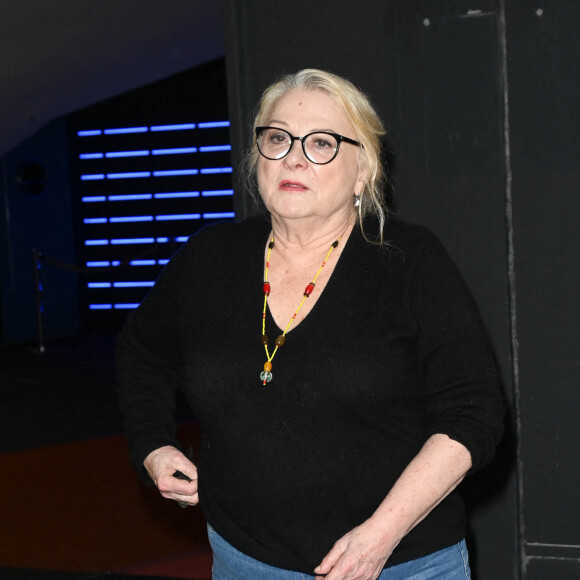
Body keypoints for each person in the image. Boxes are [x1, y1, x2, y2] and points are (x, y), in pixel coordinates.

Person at [116, 68, 505, 580]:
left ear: (362, 171)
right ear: (257, 156)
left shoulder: (410, 261)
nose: (293, 157)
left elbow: (473, 415)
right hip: (245, 561)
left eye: (322, 143)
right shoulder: (209, 258)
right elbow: (142, 353)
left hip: (397, 564)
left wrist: (379, 537)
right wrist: (153, 446)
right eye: (277, 138)